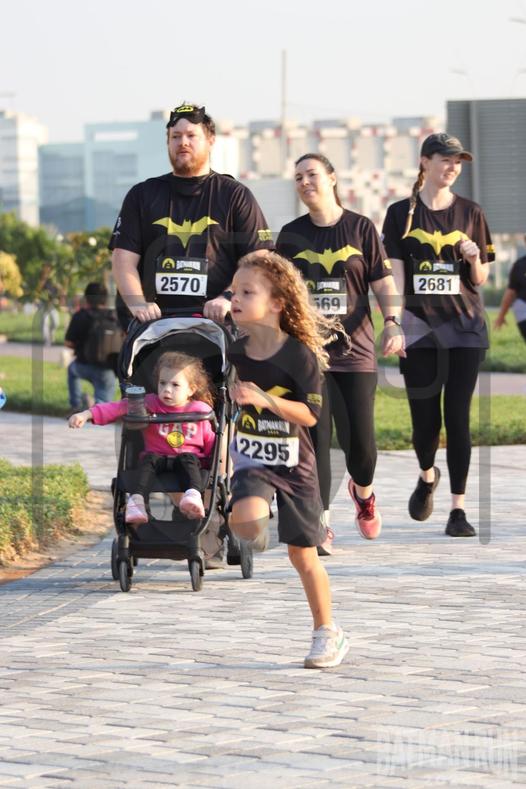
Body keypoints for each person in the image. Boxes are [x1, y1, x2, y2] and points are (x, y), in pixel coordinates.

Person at [277, 153, 405, 553]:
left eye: (312, 174)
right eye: (298, 177)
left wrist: (392, 322)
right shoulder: (291, 235)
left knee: (361, 447)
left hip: (356, 352)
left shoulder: (360, 227)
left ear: (332, 179)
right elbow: (278, 291)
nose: (304, 182)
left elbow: (383, 283)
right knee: (317, 440)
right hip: (308, 355)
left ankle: (363, 492)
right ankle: (321, 523)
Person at [227, 251, 349, 669]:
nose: (235, 299)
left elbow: (310, 414)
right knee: (246, 524)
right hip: (253, 458)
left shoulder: (299, 356)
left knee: (302, 555)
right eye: (233, 292)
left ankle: (327, 632)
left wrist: (263, 399)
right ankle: (252, 523)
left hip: (296, 463)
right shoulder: (234, 351)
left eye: (247, 292)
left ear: (277, 303)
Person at [382, 133, 494, 537]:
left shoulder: (471, 212)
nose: (452, 168)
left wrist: (473, 258)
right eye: (445, 160)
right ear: (425, 162)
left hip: (465, 329)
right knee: (425, 422)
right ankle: (428, 475)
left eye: (457, 162)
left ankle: (458, 510)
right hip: (419, 330)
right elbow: (395, 276)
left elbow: (480, 278)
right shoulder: (400, 214)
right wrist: (393, 322)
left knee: (458, 418)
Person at [109, 102, 273, 329]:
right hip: (155, 326)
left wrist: (228, 297)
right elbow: (122, 260)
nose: (182, 142)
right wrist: (138, 303)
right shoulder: (142, 195)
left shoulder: (235, 195)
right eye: (175, 137)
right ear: (168, 142)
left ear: (210, 140)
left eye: (191, 135)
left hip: (218, 325)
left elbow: (259, 259)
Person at [68, 351, 216, 523]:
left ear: (191, 389)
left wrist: (211, 464)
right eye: (162, 383)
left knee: (189, 461)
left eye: (175, 385)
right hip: (156, 457)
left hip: (187, 459)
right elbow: (117, 408)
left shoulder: (200, 411)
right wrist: (86, 414)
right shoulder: (149, 403)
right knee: (146, 463)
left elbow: (210, 439)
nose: (167, 389)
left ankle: (192, 496)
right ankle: (137, 501)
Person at [64, 283, 118, 411]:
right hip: (108, 369)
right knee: (103, 410)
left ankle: (76, 405)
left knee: (71, 369)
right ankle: (96, 405)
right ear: (106, 299)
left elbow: (68, 342)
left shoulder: (80, 316)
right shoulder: (114, 317)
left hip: (83, 366)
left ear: (86, 298)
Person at [494, 245, 526, 341]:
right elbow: (510, 293)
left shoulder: (519, 264)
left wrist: (501, 316)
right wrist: (501, 316)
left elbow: (511, 293)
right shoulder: (519, 265)